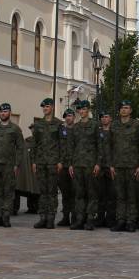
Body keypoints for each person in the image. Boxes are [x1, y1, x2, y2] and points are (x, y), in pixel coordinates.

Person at [102, 100, 139, 233]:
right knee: (120, 195)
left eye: (126, 108)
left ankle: (131, 221)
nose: (123, 110)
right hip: (117, 165)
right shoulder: (114, 125)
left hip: (132, 165)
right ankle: (121, 220)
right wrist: (110, 164)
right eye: (122, 108)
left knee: (131, 195)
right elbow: (108, 146)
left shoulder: (136, 125)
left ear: (131, 110)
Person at [0, 102, 22, 228]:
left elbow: (20, 148)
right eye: (1, 112)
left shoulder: (15, 129)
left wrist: (17, 164)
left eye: (5, 111)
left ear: (10, 113)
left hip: (9, 164)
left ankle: (6, 216)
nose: (3, 114)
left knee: (8, 191)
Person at [30, 98, 63, 229]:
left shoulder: (59, 124)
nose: (45, 109)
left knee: (52, 191)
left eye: (47, 106)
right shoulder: (38, 125)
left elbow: (62, 144)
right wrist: (33, 161)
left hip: (53, 162)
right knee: (43, 191)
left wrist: (61, 161)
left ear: (52, 108)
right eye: (43, 107)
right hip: (41, 162)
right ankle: (42, 217)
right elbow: (34, 144)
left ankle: (51, 218)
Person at [67, 100, 100, 231]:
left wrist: (98, 163)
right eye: (80, 109)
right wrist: (70, 164)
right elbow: (71, 146)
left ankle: (90, 219)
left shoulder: (95, 126)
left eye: (84, 109)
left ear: (88, 110)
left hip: (91, 164)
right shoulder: (75, 127)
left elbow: (100, 146)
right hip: (77, 164)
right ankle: (80, 219)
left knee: (91, 193)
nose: (81, 111)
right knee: (79, 193)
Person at [57, 108, 76, 227]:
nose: (68, 118)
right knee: (65, 193)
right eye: (66, 116)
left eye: (70, 116)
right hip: (63, 165)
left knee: (75, 192)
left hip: (74, 166)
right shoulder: (61, 130)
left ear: (74, 117)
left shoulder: (78, 129)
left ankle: (75, 217)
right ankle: (65, 217)